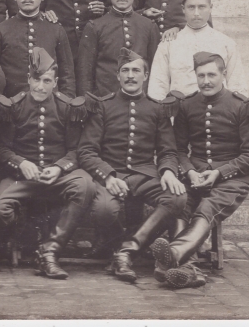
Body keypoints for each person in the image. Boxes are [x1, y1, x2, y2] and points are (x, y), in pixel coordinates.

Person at [151, 52, 249, 288]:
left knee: (207, 206)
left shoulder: (242, 106)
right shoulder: (186, 105)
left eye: (212, 75)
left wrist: (218, 173)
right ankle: (188, 269)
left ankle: (174, 255)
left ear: (223, 74)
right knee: (179, 200)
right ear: (195, 76)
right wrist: (190, 172)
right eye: (201, 75)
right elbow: (179, 149)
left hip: (232, 179)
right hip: (196, 175)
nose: (206, 81)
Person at [78, 48, 187, 283]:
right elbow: (86, 151)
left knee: (177, 197)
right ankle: (123, 250)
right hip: (112, 174)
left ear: (145, 76)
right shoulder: (102, 106)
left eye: (136, 70)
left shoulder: (157, 109)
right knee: (105, 210)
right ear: (117, 75)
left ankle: (126, 252)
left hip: (145, 175)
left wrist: (168, 170)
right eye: (125, 71)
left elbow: (167, 150)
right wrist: (107, 176)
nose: (130, 76)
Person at [0, 47, 93, 279]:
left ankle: (49, 252)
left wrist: (59, 167)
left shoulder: (67, 107)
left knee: (85, 186)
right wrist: (20, 162)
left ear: (55, 83)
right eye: (36, 80)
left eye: (46, 81)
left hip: (58, 175)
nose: (40, 87)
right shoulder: (14, 106)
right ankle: (21, 233)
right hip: (22, 177)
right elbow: (2, 148)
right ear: (28, 79)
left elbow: (76, 150)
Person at [148, 0, 247, 100]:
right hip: (180, 113)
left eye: (201, 7)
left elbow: (237, 85)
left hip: (217, 112)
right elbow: (158, 85)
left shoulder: (226, 43)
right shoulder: (169, 43)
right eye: (191, 7)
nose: (196, 13)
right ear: (183, 9)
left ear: (211, 8)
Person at [0, 0, 75, 97]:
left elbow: (67, 74)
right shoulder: (1, 30)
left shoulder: (56, 29)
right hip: (11, 106)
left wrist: (66, 106)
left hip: (49, 108)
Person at [77, 0, 160, 97]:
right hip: (105, 102)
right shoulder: (95, 26)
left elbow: (156, 69)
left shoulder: (149, 26)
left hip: (141, 102)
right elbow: (85, 72)